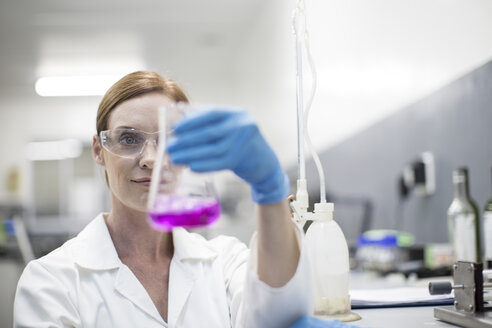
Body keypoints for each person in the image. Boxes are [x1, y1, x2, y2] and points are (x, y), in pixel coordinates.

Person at [13, 71, 313, 327]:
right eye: (129, 139)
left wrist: (270, 189)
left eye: (169, 139)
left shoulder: (223, 261)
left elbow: (279, 316)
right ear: (98, 151)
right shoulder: (51, 282)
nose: (151, 159)